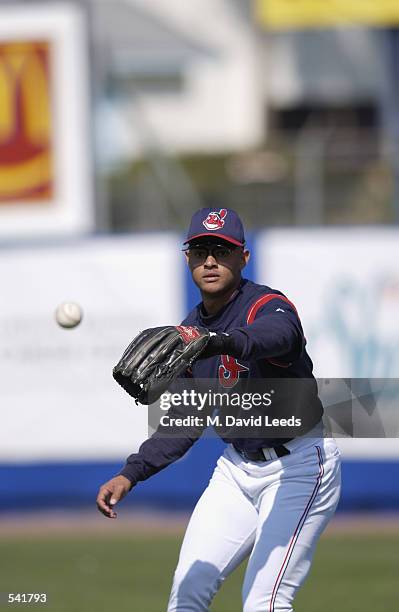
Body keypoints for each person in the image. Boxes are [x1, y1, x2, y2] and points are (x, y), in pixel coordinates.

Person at [96, 208, 341, 612]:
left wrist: (219, 342)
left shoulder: (267, 306)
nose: (210, 260)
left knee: (265, 602)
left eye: (222, 250)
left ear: (243, 258)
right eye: (200, 249)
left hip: (299, 466)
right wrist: (130, 473)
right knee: (186, 594)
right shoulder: (190, 332)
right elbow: (184, 421)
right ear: (187, 259)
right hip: (237, 469)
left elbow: (278, 337)